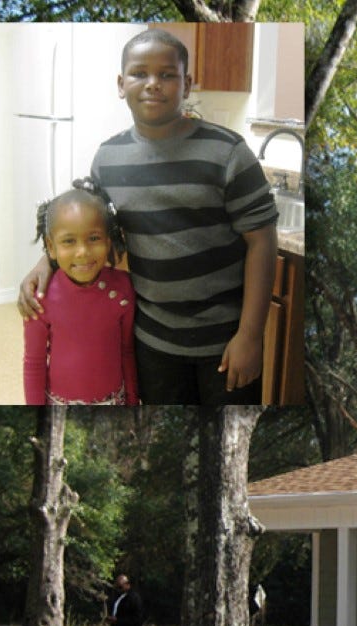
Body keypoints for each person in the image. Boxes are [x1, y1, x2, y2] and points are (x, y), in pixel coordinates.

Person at [19, 28, 278, 403]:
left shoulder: (228, 153)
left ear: (186, 84)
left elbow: (262, 241)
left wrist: (251, 336)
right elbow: (90, 228)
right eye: (140, 73)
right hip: (152, 341)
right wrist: (46, 262)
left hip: (224, 340)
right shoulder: (107, 160)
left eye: (167, 74)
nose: (153, 84)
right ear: (121, 84)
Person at [24, 178, 138, 405]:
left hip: (114, 401)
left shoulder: (124, 289)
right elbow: (34, 363)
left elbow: (126, 350)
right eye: (69, 241)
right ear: (51, 246)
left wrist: (133, 399)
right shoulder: (40, 297)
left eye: (94, 238)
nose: (83, 252)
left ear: (108, 241)